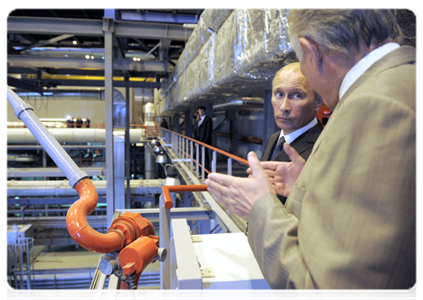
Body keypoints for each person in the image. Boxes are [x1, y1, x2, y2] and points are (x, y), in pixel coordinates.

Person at [206, 8, 419, 300]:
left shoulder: (373, 105)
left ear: (312, 50)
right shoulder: (408, 81)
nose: (284, 105)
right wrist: (312, 185)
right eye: (278, 94)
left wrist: (259, 208)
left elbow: (330, 291)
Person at [261, 62, 323, 204]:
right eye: (279, 94)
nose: (284, 107)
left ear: (317, 102)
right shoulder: (275, 138)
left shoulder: (323, 150)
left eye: (296, 96)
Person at [194, 106, 213, 170]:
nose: (200, 112)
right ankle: (199, 170)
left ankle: (205, 171)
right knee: (199, 156)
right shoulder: (198, 120)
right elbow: (195, 130)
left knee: (205, 156)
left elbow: (208, 132)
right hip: (198, 142)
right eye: (199, 111)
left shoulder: (208, 120)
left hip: (204, 142)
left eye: (201, 111)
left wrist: (203, 142)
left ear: (204, 111)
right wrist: (196, 141)